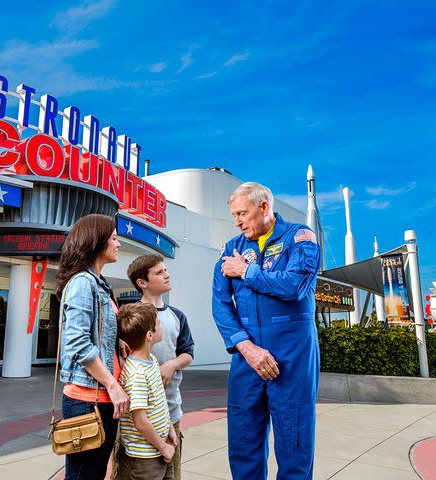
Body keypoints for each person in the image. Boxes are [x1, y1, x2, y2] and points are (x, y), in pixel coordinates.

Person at [212, 182, 321, 480]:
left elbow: (295, 286)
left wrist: (247, 272)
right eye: (234, 215)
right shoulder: (232, 249)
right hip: (246, 360)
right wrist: (246, 348)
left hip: (291, 359)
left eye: (242, 213)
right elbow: (220, 306)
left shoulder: (300, 238)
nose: (237, 221)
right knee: (243, 445)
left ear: (264, 207)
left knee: (294, 447)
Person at [55, 213, 130, 480]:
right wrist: (112, 384)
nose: (118, 244)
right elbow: (76, 342)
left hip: (103, 400)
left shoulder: (100, 284)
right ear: (97, 242)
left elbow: (96, 331)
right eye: (113, 238)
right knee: (83, 476)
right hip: (88, 400)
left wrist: (116, 340)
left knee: (95, 473)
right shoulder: (82, 283)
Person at [126, 254, 194, 479]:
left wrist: (172, 364)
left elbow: (188, 353)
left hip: (170, 412)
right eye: (159, 272)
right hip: (138, 417)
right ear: (142, 283)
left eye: (166, 270)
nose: (167, 274)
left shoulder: (178, 316)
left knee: (171, 472)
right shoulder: (130, 317)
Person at [116, 302, 178, 480]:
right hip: (144, 459)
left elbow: (157, 402)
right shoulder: (137, 374)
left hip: (159, 450)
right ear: (150, 335)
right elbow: (140, 421)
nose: (161, 325)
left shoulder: (150, 359)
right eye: (158, 323)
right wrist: (163, 447)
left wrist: (169, 427)